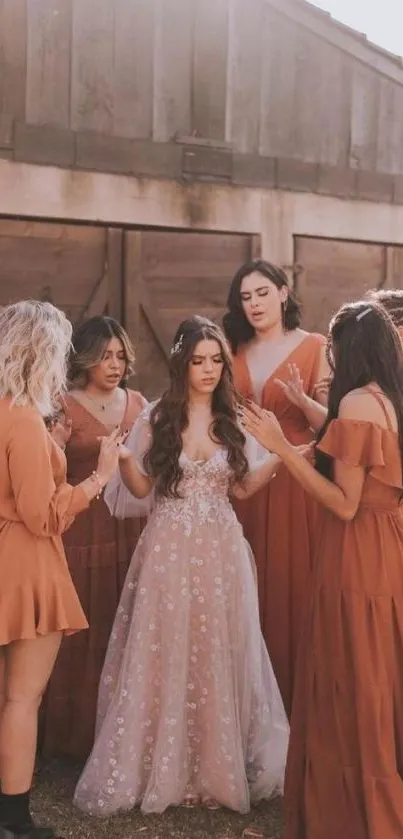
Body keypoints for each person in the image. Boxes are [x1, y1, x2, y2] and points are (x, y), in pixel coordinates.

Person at [73, 315, 289, 816]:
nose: (210, 369)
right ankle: (161, 765)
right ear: (182, 364)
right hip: (168, 545)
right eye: (199, 361)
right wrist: (126, 458)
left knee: (218, 643)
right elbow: (145, 491)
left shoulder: (232, 417)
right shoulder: (157, 416)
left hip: (221, 548)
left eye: (216, 360)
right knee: (166, 643)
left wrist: (281, 456)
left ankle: (213, 766)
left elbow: (240, 489)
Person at [241, 300, 403, 839]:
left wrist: (280, 449)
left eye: (332, 348)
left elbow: (344, 503)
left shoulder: (358, 402)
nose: (327, 360)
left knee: (354, 676)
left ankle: (355, 812)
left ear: (348, 349)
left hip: (357, 554)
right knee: (379, 671)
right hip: (386, 549)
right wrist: (306, 424)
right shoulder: (387, 398)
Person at [0, 302, 126, 839]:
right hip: (26, 564)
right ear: (44, 351)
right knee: (22, 698)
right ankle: (14, 819)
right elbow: (44, 514)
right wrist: (98, 479)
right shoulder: (24, 418)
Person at [223, 259, 329, 716]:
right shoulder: (232, 348)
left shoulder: (315, 346)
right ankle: (252, 710)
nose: (254, 304)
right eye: (246, 297)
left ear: (284, 293)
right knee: (251, 585)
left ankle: (297, 702)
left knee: (293, 582)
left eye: (263, 293)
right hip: (246, 477)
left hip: (295, 475)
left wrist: (301, 402)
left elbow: (331, 425)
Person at [42, 316, 147, 762]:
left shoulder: (139, 403)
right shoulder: (62, 405)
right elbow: (46, 472)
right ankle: (70, 736)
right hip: (80, 528)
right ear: (84, 357)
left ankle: (118, 735)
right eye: (105, 355)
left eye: (120, 355)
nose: (115, 364)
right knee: (79, 627)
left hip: (129, 528)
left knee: (119, 622)